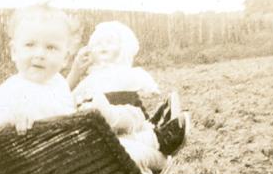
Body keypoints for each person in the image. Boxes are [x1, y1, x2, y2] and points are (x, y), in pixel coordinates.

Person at [0, 4, 179, 174]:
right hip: (60, 165)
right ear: (14, 51)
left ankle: (152, 131)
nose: (39, 54)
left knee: (116, 122)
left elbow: (62, 95)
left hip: (76, 148)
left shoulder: (53, 81)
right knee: (128, 150)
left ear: (64, 57)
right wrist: (11, 118)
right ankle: (161, 152)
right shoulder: (11, 89)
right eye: (30, 45)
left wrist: (75, 73)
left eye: (51, 48)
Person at [70, 21, 186, 156]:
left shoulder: (125, 72)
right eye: (98, 43)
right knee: (126, 120)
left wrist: (150, 88)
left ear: (122, 48)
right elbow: (76, 95)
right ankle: (154, 134)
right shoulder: (90, 79)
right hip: (109, 120)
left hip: (125, 107)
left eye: (110, 42)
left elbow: (140, 83)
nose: (103, 46)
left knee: (135, 109)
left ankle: (151, 124)